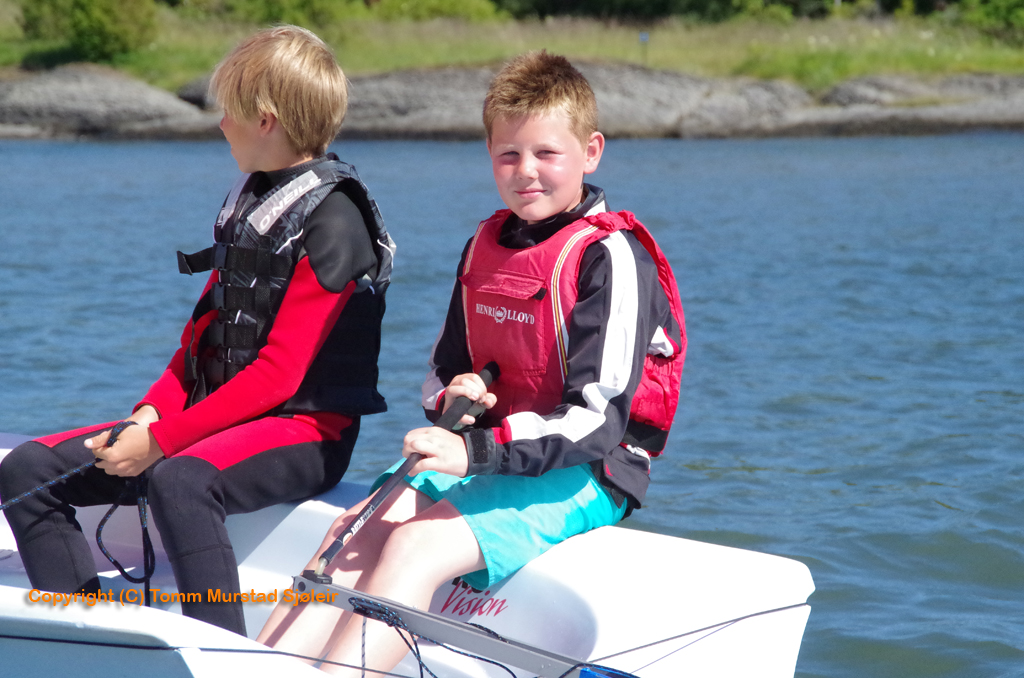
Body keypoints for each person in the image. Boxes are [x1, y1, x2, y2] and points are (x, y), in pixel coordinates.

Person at [256, 50, 685, 676]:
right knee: (355, 529)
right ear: (489, 154)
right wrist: (451, 398)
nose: (526, 171)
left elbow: (598, 420)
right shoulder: (483, 244)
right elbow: (443, 372)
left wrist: (476, 451)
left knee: (414, 544)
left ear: (591, 152)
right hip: (489, 449)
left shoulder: (612, 258)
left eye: (546, 153)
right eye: (508, 154)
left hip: (589, 468)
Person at [0, 25, 395, 636]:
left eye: (229, 111)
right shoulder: (251, 205)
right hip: (218, 417)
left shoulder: (335, 221)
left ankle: (223, 654)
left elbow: (279, 375)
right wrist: (148, 415)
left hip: (308, 432)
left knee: (179, 480)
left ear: (265, 120)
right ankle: (92, 636)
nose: (221, 124)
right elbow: (198, 341)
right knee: (27, 470)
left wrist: (162, 443)